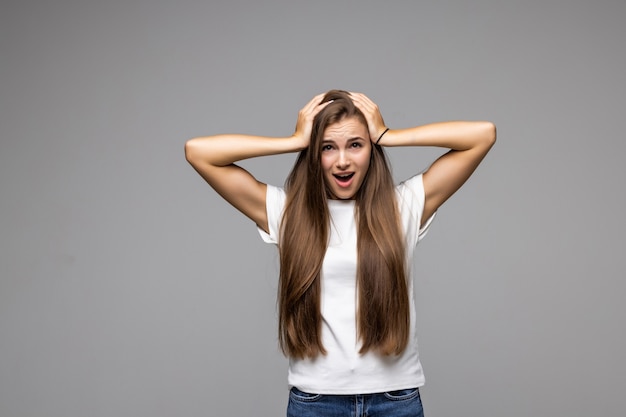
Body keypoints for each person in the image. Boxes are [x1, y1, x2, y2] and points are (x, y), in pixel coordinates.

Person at [185, 90, 496, 417]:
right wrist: (293, 141)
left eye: (356, 145)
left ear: (371, 150)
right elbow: (199, 152)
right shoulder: (287, 213)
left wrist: (389, 135)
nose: (343, 161)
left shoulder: (402, 207)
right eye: (328, 147)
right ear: (313, 154)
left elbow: (482, 135)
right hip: (316, 402)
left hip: (395, 401)